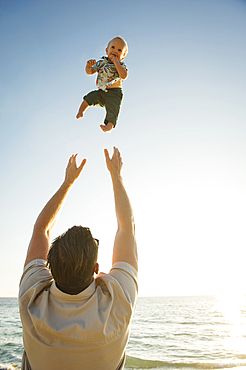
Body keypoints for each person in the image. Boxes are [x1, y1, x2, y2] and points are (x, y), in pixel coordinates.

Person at [18, 147, 138, 370]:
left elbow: (41, 229)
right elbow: (127, 229)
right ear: (96, 268)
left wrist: (68, 182)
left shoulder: (31, 299)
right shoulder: (118, 305)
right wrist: (116, 175)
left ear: (50, 268)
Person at [76, 36, 128, 133]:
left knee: (113, 109)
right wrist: (88, 66)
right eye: (112, 47)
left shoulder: (121, 65)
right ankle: (81, 111)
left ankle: (109, 126)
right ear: (106, 50)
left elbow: (124, 75)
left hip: (114, 93)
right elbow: (90, 72)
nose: (115, 51)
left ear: (123, 56)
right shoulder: (101, 63)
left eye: (119, 50)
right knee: (90, 96)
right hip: (102, 91)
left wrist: (116, 62)